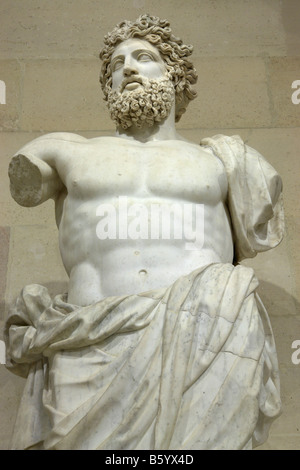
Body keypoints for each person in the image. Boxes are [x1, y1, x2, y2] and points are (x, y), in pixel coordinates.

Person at [5, 15, 284, 450]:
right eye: (116, 64)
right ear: (108, 85)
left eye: (144, 57)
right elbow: (25, 181)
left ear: (173, 73)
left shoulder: (227, 161)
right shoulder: (62, 151)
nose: (127, 68)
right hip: (90, 343)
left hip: (208, 336)